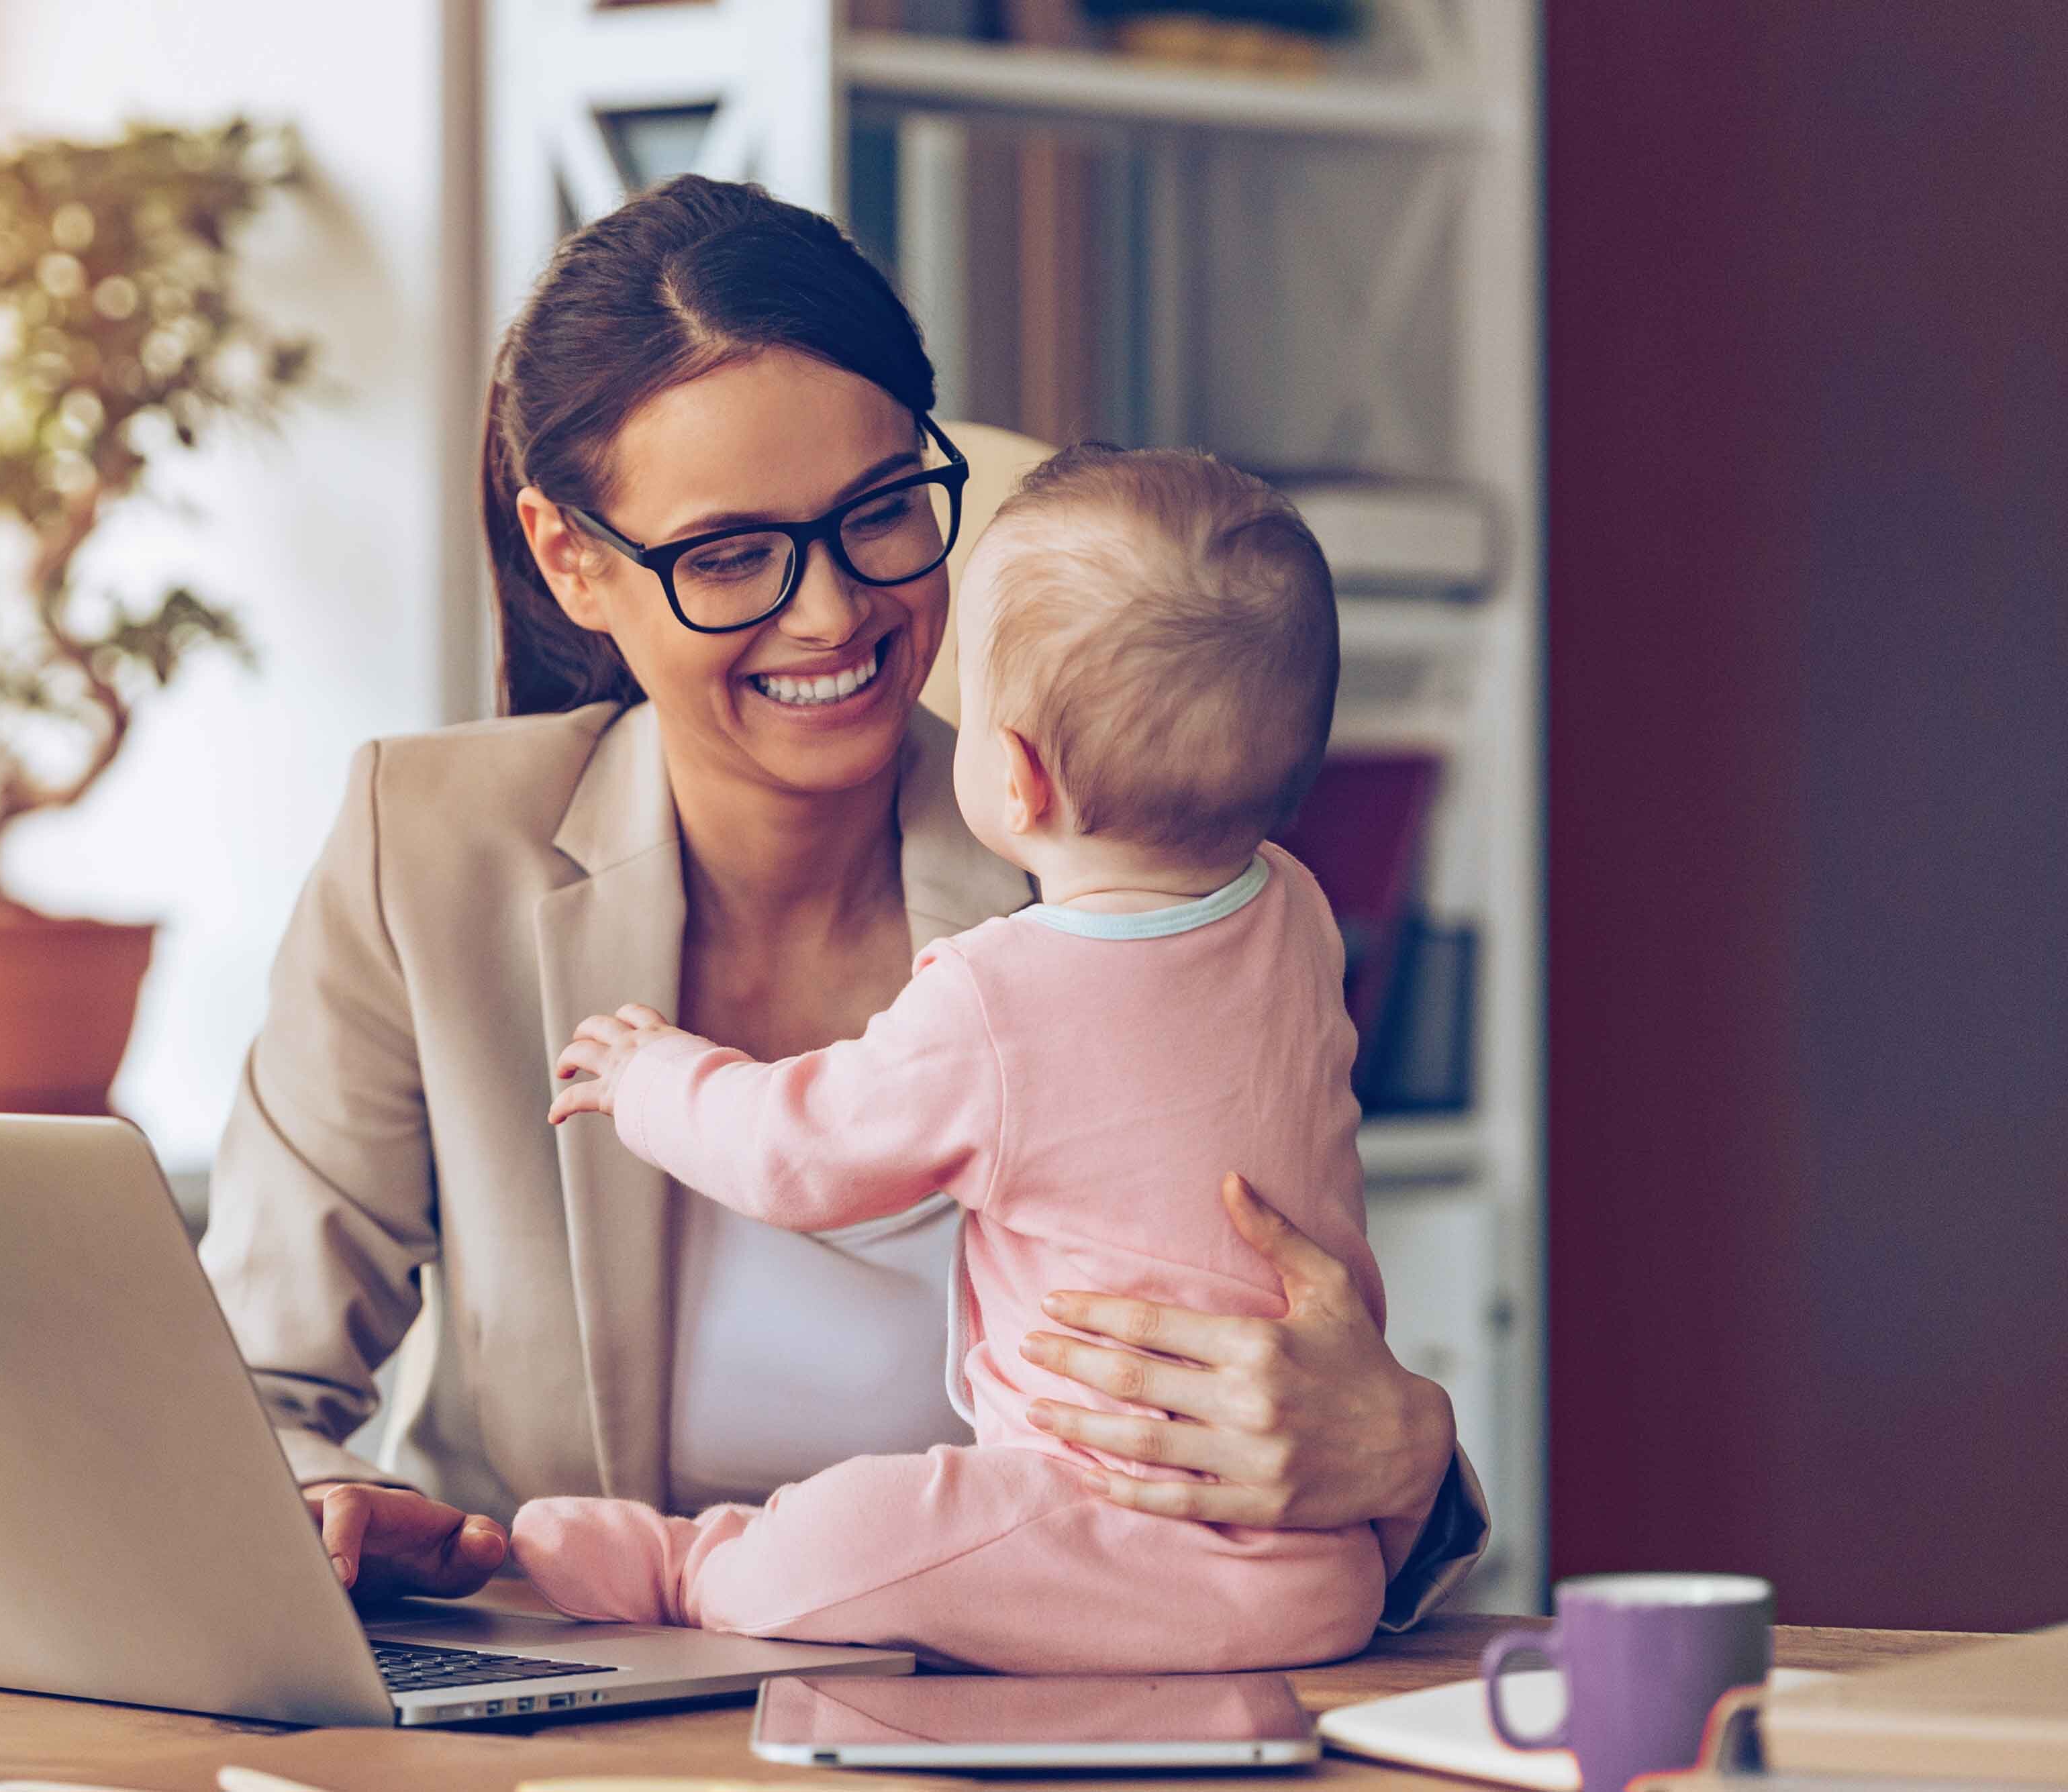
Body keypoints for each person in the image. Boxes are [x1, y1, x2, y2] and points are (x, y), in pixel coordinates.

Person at [199, 174, 1486, 1622]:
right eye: (730, 554)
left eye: (879, 513)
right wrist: (328, 1512)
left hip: (1015, 1713)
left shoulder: (1121, 856)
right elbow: (244, 1388)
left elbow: (1293, 1332)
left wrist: (1402, 1454)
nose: (831, 613)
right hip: (573, 1706)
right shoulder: (424, 851)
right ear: (573, 560)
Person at [513, 446, 1385, 1672]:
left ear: (1015, 775)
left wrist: (649, 1075)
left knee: (868, 1524)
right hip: (1319, 1565)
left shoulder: (1000, 994)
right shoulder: (1296, 914)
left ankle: (690, 1564)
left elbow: (798, 1152)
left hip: (1105, 1518)